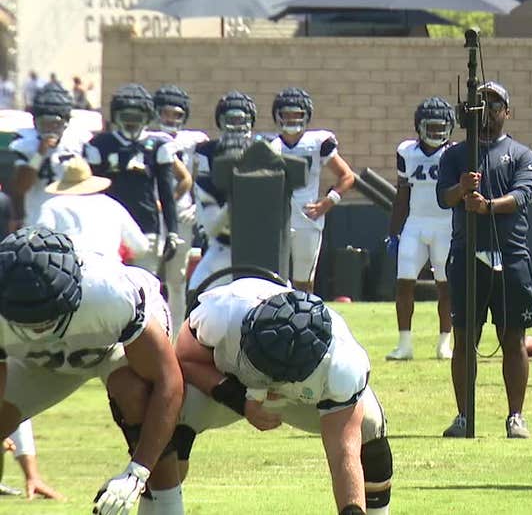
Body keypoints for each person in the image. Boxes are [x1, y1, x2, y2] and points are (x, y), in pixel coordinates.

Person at [149, 278, 393, 515]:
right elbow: (182, 358)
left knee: (370, 428)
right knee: (169, 415)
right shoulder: (225, 311)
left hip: (304, 400)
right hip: (230, 384)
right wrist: (238, 400)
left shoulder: (341, 365)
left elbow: (342, 453)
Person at [0, 227, 184, 514]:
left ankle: (168, 507)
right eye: (29, 319)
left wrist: (138, 472)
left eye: (45, 316)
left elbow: (168, 382)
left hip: (111, 344)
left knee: (137, 395)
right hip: (42, 360)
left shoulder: (109, 294)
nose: (38, 327)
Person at [436, 81, 532, 439]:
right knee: (465, 338)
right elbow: (443, 198)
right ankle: (464, 415)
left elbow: (523, 194)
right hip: (467, 255)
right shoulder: (454, 156)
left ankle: (516, 416)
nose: (489, 111)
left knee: (513, 338)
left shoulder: (521, 154)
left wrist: (488, 206)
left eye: (496, 105)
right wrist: (461, 188)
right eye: (482, 104)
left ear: (507, 111)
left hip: (510, 255)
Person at [84, 83, 192, 275]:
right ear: (116, 116)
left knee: (145, 289)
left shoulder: (158, 146)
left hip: (146, 226)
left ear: (147, 118)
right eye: (126, 116)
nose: (131, 122)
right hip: (108, 228)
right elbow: (92, 191)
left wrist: (172, 231)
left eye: (137, 117)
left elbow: (166, 192)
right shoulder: (101, 145)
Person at [385, 97, 456, 361]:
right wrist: (394, 231)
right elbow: (402, 193)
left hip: (445, 224)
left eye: (441, 127)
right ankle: (404, 344)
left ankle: (444, 344)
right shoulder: (406, 152)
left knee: (446, 286)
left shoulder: (455, 153)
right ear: (419, 126)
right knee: (404, 283)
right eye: (432, 127)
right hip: (415, 223)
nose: (437, 132)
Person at [267, 87, 355, 294]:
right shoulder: (270, 145)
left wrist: (327, 202)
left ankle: (305, 320)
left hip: (306, 218)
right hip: (275, 219)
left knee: (303, 281)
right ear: (277, 116)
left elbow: (347, 176)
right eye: (286, 114)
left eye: (296, 114)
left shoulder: (316, 143)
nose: (291, 119)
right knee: (270, 280)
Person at [153, 84, 209, 334]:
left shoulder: (195, 140)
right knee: (150, 277)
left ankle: (175, 335)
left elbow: (202, 176)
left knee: (177, 281)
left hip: (182, 212)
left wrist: (197, 204)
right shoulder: (148, 139)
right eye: (166, 113)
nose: (170, 119)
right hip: (152, 214)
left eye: (176, 114)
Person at [188, 91, 257, 292]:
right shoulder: (207, 180)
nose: (234, 166)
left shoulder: (266, 157)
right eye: (228, 160)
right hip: (222, 244)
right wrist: (232, 204)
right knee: (196, 292)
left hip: (258, 248)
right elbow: (212, 229)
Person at [9, 83, 93, 227]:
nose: (50, 129)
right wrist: (40, 153)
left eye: (55, 124)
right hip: (36, 218)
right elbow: (20, 187)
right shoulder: (24, 142)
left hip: (72, 221)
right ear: (35, 123)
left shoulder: (80, 142)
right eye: (44, 124)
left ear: (66, 123)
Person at [36, 156, 149, 263]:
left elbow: (40, 242)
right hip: (108, 268)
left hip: (68, 271)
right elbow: (140, 246)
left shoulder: (52, 205)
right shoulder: (111, 204)